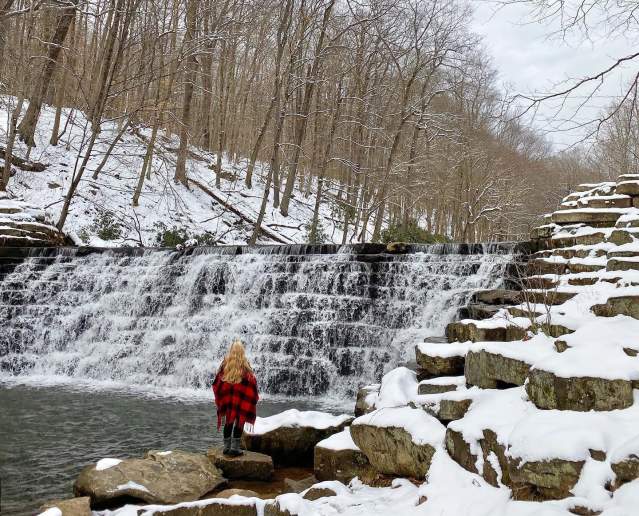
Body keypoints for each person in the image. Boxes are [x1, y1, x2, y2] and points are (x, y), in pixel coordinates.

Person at [212, 340, 259, 457]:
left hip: (228, 399)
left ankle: (226, 447)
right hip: (241, 399)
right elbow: (251, 382)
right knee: (240, 421)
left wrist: (221, 396)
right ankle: (235, 448)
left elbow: (217, 382)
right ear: (242, 351)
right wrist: (252, 396)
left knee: (229, 421)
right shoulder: (245, 365)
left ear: (231, 350)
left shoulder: (225, 363)